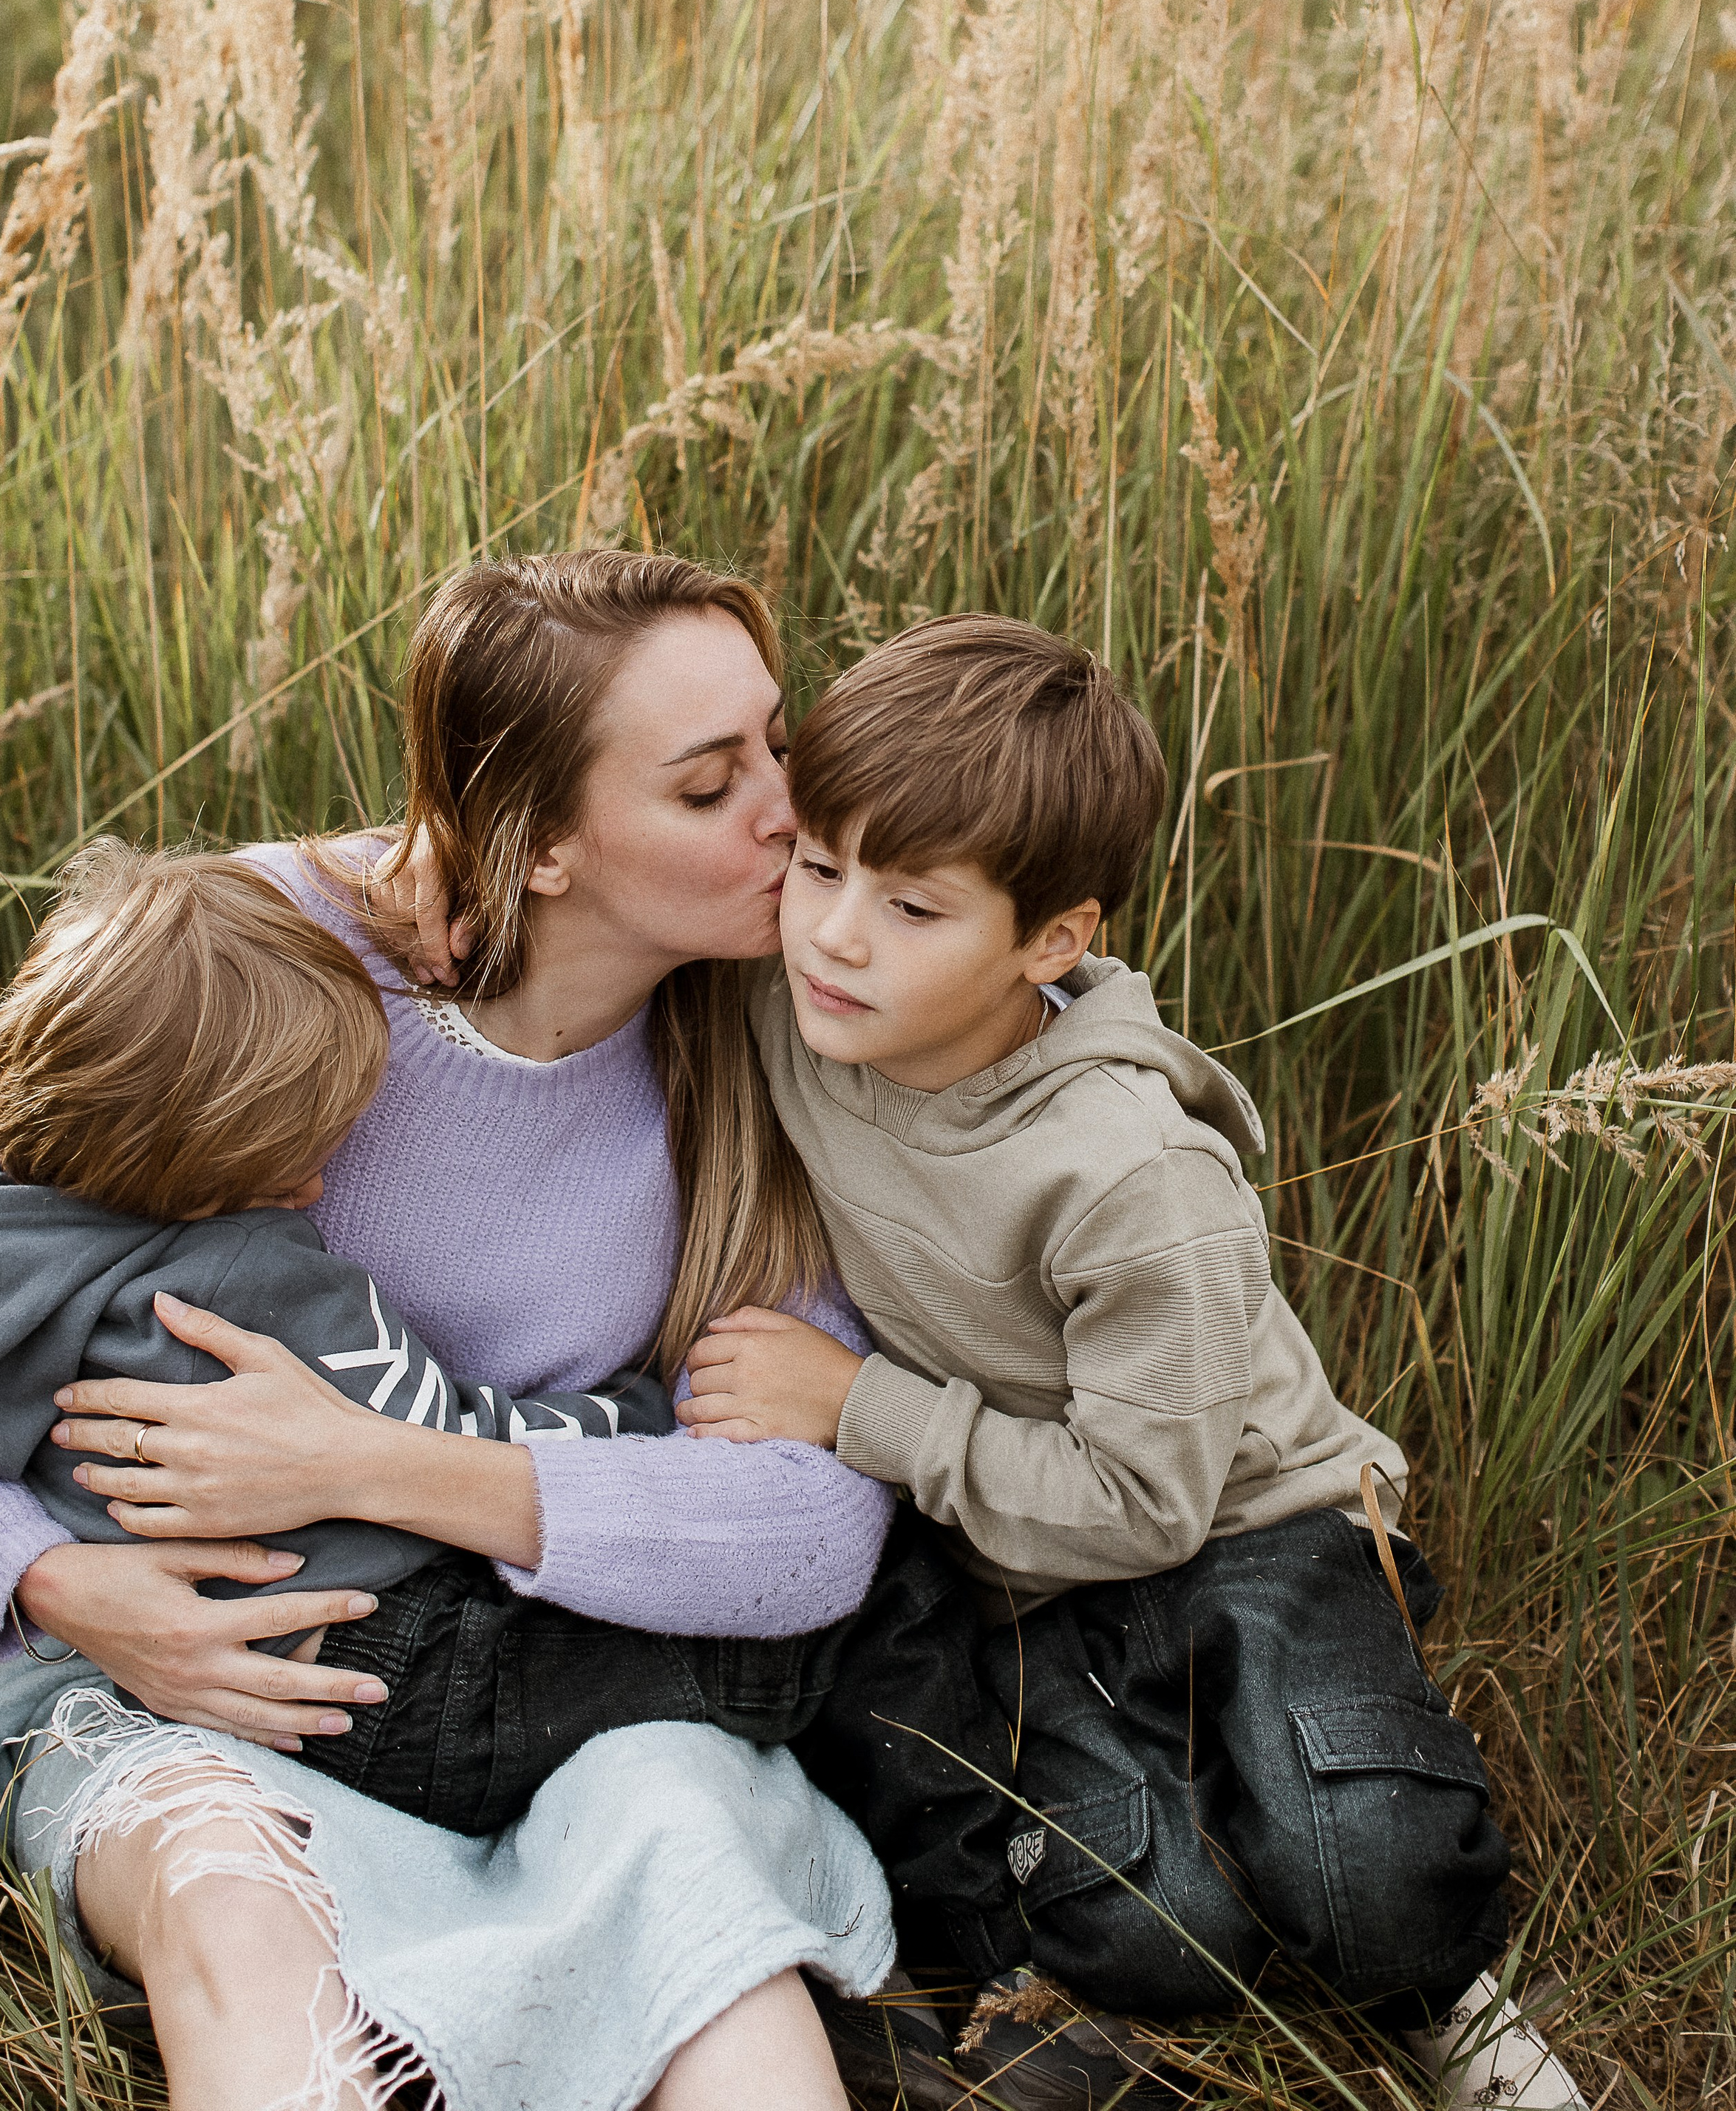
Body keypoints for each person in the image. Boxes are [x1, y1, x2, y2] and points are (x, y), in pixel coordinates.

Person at [0, 551, 897, 2111]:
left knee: (699, 1919)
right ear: (539, 846)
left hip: (565, 1677)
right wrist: (51, 1584)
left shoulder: (786, 1059)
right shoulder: (260, 953)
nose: (790, 813)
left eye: (780, 744)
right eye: (705, 786)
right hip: (189, 1677)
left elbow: (811, 1537)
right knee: (237, 1910)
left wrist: (375, 1465)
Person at [678, 613, 1584, 2111]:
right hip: (1029, 1571)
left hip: (1244, 1519)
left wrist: (859, 1411)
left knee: (1358, 1880)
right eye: (820, 868)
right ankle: (1197, 1802)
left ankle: (1445, 1979)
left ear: (1051, 939)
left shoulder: (1127, 1178)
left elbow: (1150, 1506)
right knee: (1150, 1935)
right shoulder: (796, 1006)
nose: (832, 933)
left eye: (913, 907)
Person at [0, 843, 846, 1840]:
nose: (320, 1190)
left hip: (275, 1663)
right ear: (198, 1177)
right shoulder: (245, 1278)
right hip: (384, 1675)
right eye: (299, 1159)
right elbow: (437, 1420)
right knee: (782, 1665)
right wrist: (639, 1413)